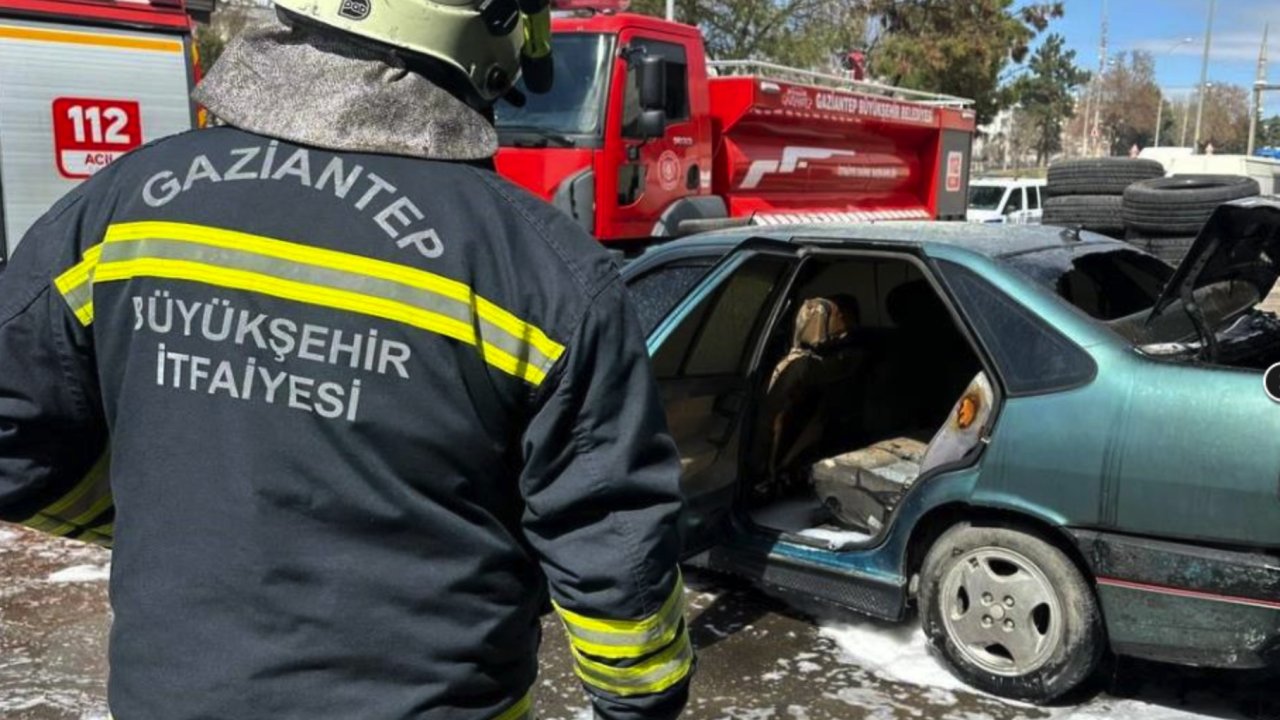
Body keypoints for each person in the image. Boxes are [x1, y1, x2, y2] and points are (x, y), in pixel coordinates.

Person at [0, 1, 693, 718]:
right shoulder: (543, 270)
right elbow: (614, 554)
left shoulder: (120, 206)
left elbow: (11, 440)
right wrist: (645, 703)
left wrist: (173, 514)